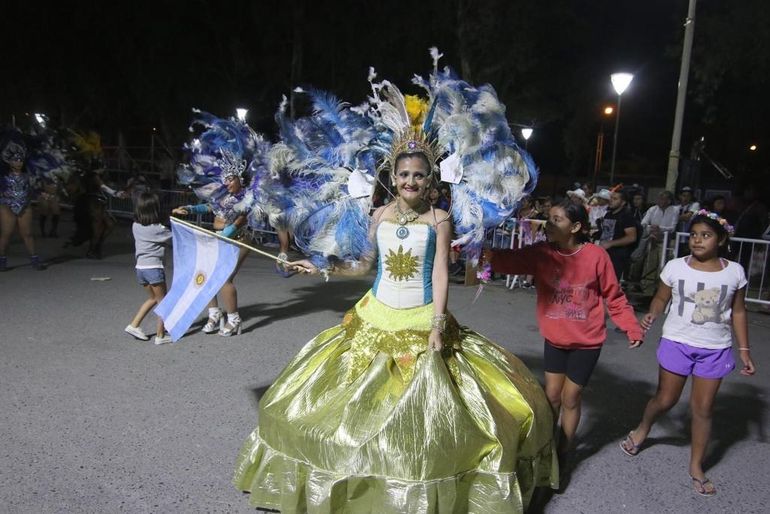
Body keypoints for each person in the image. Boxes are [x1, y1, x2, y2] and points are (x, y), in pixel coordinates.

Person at [234, 148, 557, 511]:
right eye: (404, 174)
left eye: (418, 175)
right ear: (393, 178)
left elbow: (440, 272)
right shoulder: (379, 215)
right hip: (375, 314)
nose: (410, 181)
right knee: (358, 408)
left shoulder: (439, 219)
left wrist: (437, 324)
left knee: (420, 416)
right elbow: (363, 266)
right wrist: (320, 266)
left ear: (429, 179)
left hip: (421, 318)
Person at [488, 200, 643, 460]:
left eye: (557, 220)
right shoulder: (542, 253)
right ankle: (547, 446)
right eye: (549, 218)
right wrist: (482, 252)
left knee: (571, 397)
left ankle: (565, 449)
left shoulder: (596, 256)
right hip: (555, 339)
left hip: (587, 342)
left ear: (576, 227)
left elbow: (614, 296)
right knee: (552, 396)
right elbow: (508, 261)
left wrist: (631, 326)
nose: (549, 224)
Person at [620, 211, 755, 497]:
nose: (697, 240)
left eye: (706, 235)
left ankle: (696, 466)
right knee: (665, 399)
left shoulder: (734, 272)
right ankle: (643, 428)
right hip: (677, 342)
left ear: (721, 239)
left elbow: (739, 311)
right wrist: (652, 314)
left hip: (715, 349)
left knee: (703, 409)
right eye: (694, 235)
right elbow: (661, 298)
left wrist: (744, 350)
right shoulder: (675, 267)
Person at [172, 170, 250, 336]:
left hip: (238, 240)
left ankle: (234, 318)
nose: (227, 183)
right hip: (219, 238)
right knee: (207, 276)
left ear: (240, 179)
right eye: (225, 179)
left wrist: (224, 235)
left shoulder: (247, 197)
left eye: (231, 179)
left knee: (224, 279)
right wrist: (189, 209)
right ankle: (215, 313)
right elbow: (209, 207)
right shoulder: (222, 194)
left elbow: (241, 221)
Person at [125, 192, 173, 345]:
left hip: (140, 268)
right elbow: (173, 238)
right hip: (154, 268)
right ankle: (160, 335)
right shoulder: (158, 229)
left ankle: (134, 325)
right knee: (163, 302)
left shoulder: (136, 226)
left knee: (153, 299)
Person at [0, 138, 45, 271]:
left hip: (25, 206)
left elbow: (33, 191)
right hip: (7, 206)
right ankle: (2, 261)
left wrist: (40, 194)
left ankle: (35, 260)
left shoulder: (27, 176)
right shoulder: (3, 177)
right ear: (9, 162)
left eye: (20, 160)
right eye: (15, 160)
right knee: (6, 234)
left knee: (28, 234)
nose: (18, 163)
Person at [597, 190, 638, 279]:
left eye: (615, 199)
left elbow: (632, 237)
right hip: (604, 252)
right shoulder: (608, 214)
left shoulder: (626, 216)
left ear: (623, 202)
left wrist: (611, 243)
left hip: (617, 255)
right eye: (611, 198)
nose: (611, 200)